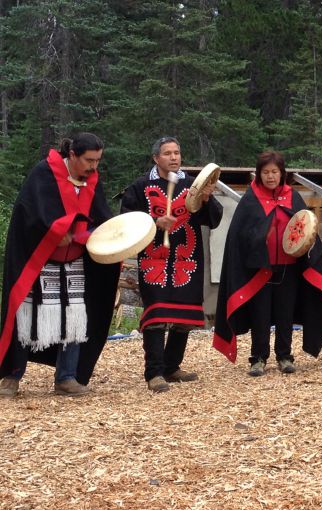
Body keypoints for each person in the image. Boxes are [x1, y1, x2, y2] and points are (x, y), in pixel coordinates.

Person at [0, 133, 120, 397]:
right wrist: (55, 231)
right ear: (72, 155)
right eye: (89, 160)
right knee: (25, 314)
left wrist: (98, 236)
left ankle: (66, 377)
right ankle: (12, 376)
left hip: (75, 261)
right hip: (39, 259)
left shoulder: (92, 181)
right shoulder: (44, 173)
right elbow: (30, 213)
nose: (93, 166)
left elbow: (100, 218)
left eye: (98, 160)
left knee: (75, 318)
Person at [213, 151, 322, 376]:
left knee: (285, 312)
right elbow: (240, 235)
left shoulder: (293, 197)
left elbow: (306, 228)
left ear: (282, 173)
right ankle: (258, 358)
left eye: (274, 172)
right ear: (259, 174)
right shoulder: (251, 199)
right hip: (259, 270)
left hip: (289, 268)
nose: (270, 176)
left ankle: (285, 356)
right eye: (265, 172)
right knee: (261, 314)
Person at [120, 136, 222, 392]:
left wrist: (208, 199)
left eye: (177, 152)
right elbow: (126, 220)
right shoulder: (140, 186)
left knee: (183, 315)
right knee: (156, 314)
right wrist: (154, 224)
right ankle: (154, 372)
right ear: (156, 158)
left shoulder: (192, 185)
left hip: (187, 259)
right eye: (168, 153)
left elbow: (214, 220)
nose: (174, 157)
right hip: (154, 258)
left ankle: (172, 366)